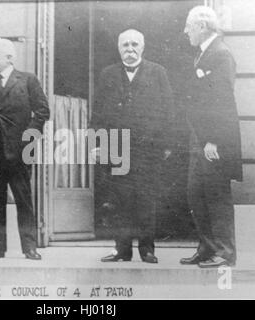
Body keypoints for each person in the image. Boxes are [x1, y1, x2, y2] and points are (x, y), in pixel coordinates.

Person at [91, 29, 174, 264]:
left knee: (146, 199)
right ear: (119, 49)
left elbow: (169, 110)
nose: (130, 49)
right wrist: (96, 144)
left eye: (134, 45)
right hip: (117, 148)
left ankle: (147, 250)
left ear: (143, 47)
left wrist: (167, 144)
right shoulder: (107, 75)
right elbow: (97, 112)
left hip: (148, 149)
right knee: (119, 200)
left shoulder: (158, 73)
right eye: (125, 45)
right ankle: (122, 250)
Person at [180, 6, 242, 268]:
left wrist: (213, 140)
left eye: (189, 26)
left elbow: (223, 101)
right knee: (196, 194)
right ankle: (207, 248)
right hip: (201, 139)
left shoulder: (220, 54)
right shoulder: (205, 52)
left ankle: (225, 252)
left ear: (202, 26)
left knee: (216, 196)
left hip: (213, 141)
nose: (185, 31)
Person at [0, 38, 50, 260]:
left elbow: (42, 112)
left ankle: (29, 247)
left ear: (9, 58)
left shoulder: (28, 80)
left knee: (23, 199)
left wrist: (28, 139)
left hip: (20, 152)